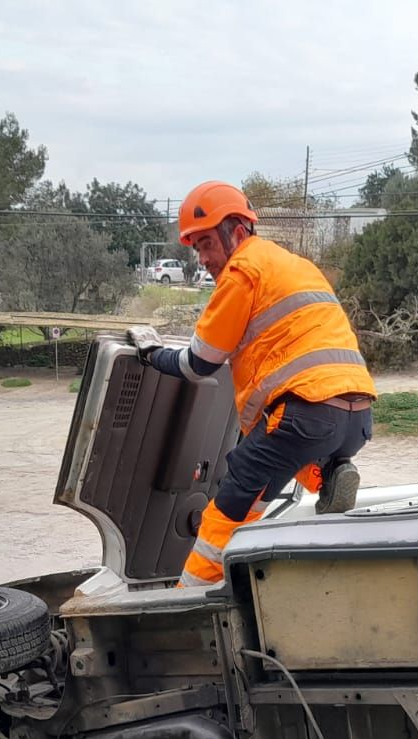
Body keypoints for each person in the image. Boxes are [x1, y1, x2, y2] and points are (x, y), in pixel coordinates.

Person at [139, 181, 375, 589]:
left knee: (231, 503)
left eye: (208, 242)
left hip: (305, 411)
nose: (204, 257)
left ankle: (183, 601)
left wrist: (151, 354)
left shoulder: (242, 270)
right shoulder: (297, 265)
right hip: (355, 415)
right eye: (196, 248)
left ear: (239, 231)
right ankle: (331, 471)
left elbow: (199, 363)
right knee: (288, 451)